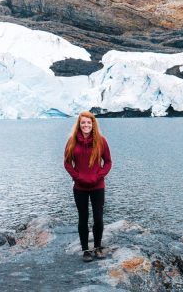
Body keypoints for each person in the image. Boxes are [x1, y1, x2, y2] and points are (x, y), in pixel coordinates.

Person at [63, 111, 112, 262]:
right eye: (83, 122)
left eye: (89, 123)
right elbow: (67, 162)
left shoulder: (101, 141)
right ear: (79, 124)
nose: (86, 125)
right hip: (79, 188)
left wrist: (99, 176)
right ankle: (85, 250)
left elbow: (108, 162)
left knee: (98, 218)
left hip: (98, 186)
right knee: (83, 218)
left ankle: (97, 247)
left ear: (93, 124)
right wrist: (77, 176)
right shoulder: (72, 141)